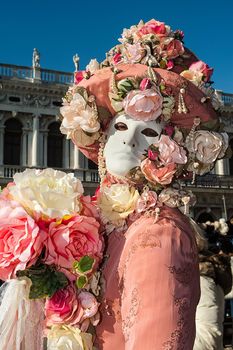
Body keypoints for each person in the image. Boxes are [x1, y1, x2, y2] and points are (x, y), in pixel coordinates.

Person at [60, 19, 229, 349]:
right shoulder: (107, 227)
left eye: (149, 132)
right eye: (119, 128)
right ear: (103, 139)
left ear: (173, 152)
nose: (129, 141)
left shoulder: (160, 234)